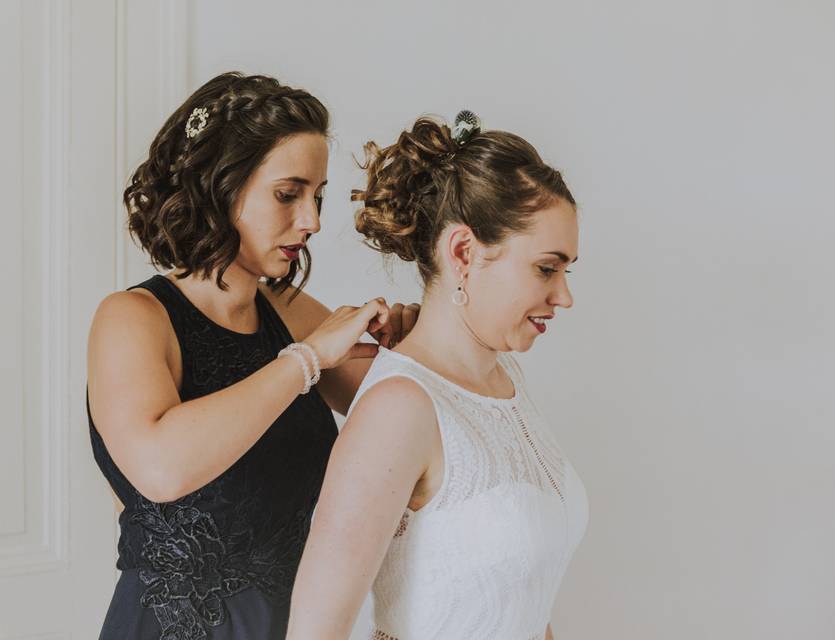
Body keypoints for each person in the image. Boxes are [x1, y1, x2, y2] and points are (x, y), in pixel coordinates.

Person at [86, 72, 419, 639]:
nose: (311, 221)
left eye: (317, 197)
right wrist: (308, 358)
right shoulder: (132, 317)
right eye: (288, 195)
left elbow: (407, 420)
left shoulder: (286, 308)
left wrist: (410, 339)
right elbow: (161, 468)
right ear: (219, 185)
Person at [286, 112, 588, 640]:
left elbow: (520, 599)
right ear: (464, 253)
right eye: (547, 268)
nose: (564, 296)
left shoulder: (507, 380)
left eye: (567, 271)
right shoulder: (400, 406)